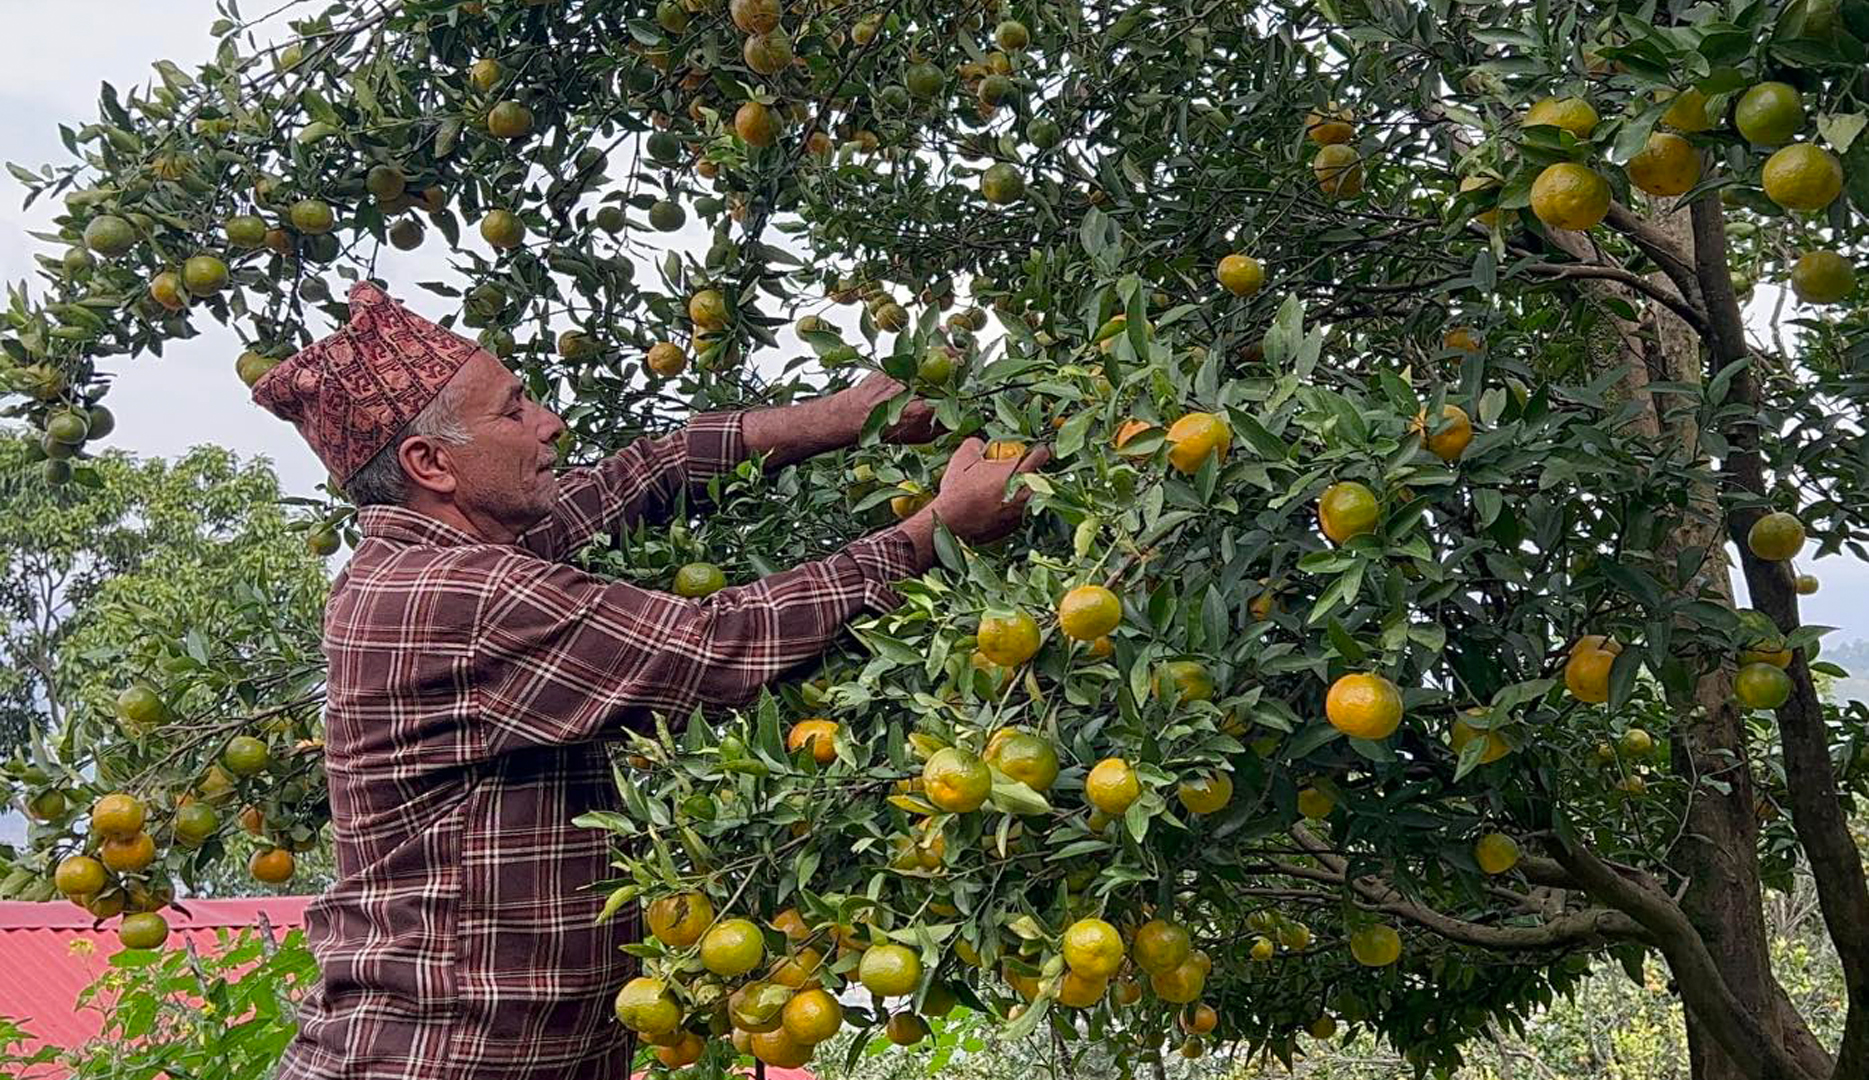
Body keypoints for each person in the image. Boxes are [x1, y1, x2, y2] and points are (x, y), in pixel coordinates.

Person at [252, 281, 1047, 1079]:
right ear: (431, 463)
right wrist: (934, 528)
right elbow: (715, 645)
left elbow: (650, 472)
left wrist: (847, 414)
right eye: (514, 409)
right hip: (434, 1057)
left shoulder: (458, 557)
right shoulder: (453, 594)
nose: (550, 423)